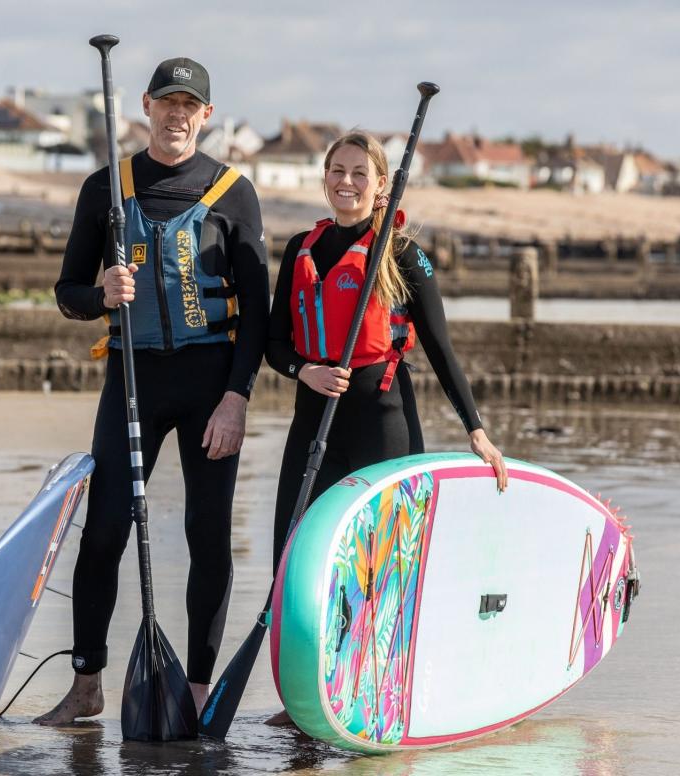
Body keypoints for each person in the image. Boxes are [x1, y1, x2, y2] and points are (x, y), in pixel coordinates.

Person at [36, 56, 270, 725]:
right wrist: (100, 293)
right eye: (165, 102)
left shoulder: (233, 192)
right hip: (132, 380)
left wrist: (237, 397)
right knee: (104, 532)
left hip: (208, 387)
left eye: (188, 105)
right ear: (145, 105)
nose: (176, 115)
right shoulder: (106, 188)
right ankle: (86, 685)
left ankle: (194, 692)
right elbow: (67, 292)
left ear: (206, 115)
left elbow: (257, 310)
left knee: (207, 535)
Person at [267, 131, 509, 575]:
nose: (347, 181)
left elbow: (440, 348)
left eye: (360, 173)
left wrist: (475, 430)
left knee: (383, 565)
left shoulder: (402, 255)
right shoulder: (300, 248)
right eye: (338, 170)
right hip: (313, 422)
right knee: (292, 554)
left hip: (382, 423)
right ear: (324, 178)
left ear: (381, 185)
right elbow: (274, 344)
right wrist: (304, 371)